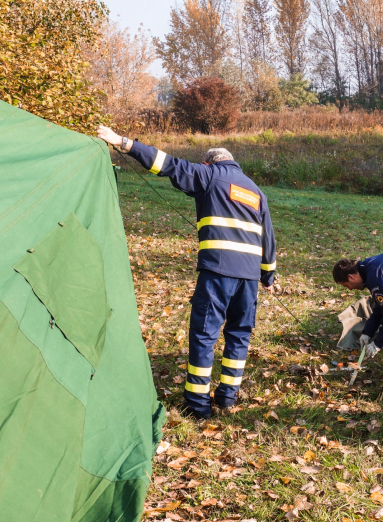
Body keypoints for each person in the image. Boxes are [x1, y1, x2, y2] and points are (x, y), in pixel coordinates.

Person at [96, 126, 276, 419]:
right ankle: (227, 399)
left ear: (208, 163)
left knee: (205, 335)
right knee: (239, 335)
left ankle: (197, 405)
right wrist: (268, 276)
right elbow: (268, 237)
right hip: (248, 279)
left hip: (218, 272)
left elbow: (167, 164)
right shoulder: (256, 191)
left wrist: (123, 143)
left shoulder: (210, 175)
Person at [333, 250, 383, 363]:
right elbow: (382, 306)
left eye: (347, 285)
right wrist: (368, 332)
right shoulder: (370, 266)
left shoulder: (375, 278)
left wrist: (378, 344)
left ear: (351, 277)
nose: (350, 289)